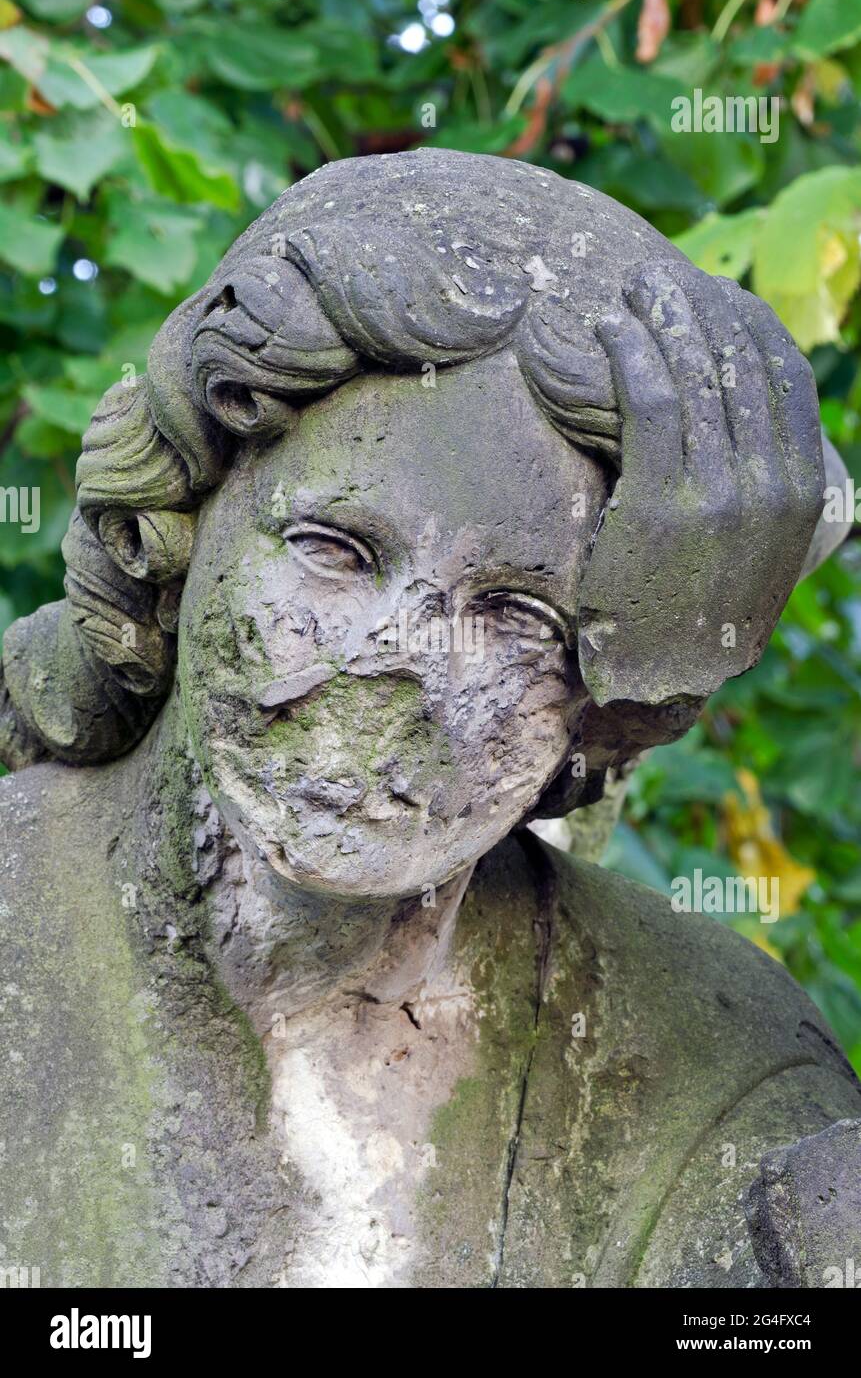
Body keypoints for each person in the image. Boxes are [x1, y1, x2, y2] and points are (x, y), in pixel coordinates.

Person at [1, 150, 857, 1288]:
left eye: (514, 611)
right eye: (336, 550)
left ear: (612, 693)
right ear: (181, 528)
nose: (400, 665)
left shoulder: (709, 1060)